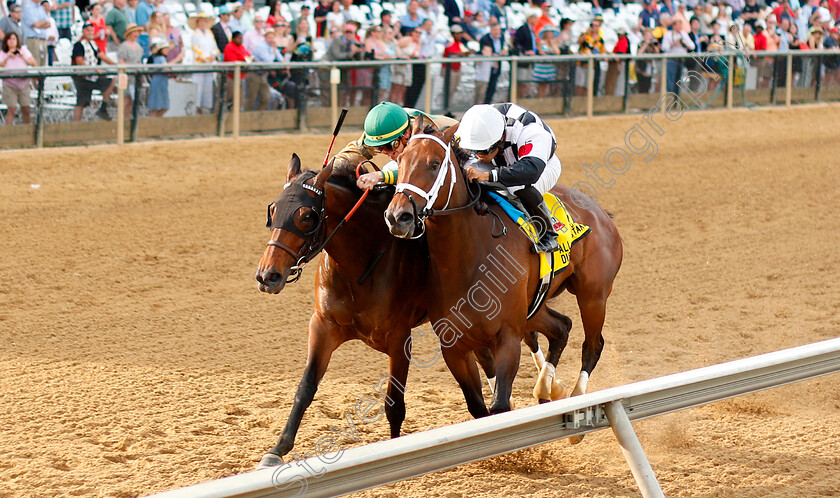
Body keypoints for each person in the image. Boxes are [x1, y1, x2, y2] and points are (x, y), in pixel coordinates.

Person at [456, 103, 562, 252]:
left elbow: (531, 171)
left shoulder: (530, 131)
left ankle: (548, 234)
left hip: (539, 167)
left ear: (499, 140)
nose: (479, 155)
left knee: (516, 187)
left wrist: (488, 175)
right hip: (499, 162)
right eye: (475, 150)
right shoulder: (477, 122)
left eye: (484, 150)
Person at [349, 101, 459, 185]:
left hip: (464, 155)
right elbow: (356, 151)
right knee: (389, 168)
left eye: (389, 146)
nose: (386, 152)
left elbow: (423, 172)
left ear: (406, 134)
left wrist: (380, 175)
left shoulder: (426, 135)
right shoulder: (385, 126)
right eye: (379, 148)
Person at [72, 22, 116, 121]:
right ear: (83, 31)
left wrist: (115, 65)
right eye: (88, 30)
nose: (90, 32)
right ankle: (75, 125)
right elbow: (79, 61)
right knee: (81, 103)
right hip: (82, 78)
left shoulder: (93, 44)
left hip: (93, 76)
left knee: (111, 81)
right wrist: (93, 68)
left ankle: (103, 107)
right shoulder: (79, 45)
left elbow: (101, 55)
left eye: (91, 30)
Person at [0, 32, 37, 125]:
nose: (12, 42)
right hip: (9, 85)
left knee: (26, 109)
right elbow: (1, 65)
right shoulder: (2, 53)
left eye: (14, 39)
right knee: (11, 109)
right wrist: (7, 57)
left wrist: (22, 56)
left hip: (23, 84)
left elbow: (33, 63)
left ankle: (27, 130)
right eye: (9, 39)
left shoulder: (23, 50)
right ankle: (8, 131)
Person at [189, 13, 218, 113]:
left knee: (208, 86)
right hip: (199, 65)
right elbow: (196, 50)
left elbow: (214, 47)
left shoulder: (210, 34)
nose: (203, 23)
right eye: (201, 21)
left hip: (209, 64)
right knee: (198, 86)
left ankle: (206, 107)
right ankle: (196, 107)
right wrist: (205, 58)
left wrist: (213, 55)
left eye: (204, 21)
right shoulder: (195, 34)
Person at [476, 21, 506, 104]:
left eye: (498, 30)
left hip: (497, 66)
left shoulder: (501, 38)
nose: (497, 32)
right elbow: (486, 52)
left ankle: (488, 103)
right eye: (495, 30)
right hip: (487, 67)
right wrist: (494, 55)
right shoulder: (485, 39)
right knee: (484, 88)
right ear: (491, 30)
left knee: (493, 86)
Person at [117, 23, 144, 113]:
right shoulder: (124, 46)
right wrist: (127, 72)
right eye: (134, 32)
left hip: (136, 75)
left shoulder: (138, 46)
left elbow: (139, 60)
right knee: (126, 99)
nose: (136, 34)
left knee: (134, 100)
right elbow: (121, 61)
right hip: (128, 75)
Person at [443, 24, 470, 105]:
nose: (459, 35)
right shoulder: (450, 42)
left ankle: (449, 107)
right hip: (449, 69)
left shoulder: (459, 43)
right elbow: (452, 52)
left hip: (456, 68)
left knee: (453, 89)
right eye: (457, 33)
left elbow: (464, 52)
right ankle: (445, 108)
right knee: (448, 89)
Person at [147, 37, 172, 117]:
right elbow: (165, 67)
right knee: (156, 107)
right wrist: (177, 59)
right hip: (158, 85)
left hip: (162, 84)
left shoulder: (161, 58)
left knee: (162, 107)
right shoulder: (159, 58)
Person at [22, 0, 49, 65]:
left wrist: (39, 24)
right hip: (33, 40)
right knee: (35, 66)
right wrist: (43, 22)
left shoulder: (41, 7)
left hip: (43, 40)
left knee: (43, 65)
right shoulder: (27, 8)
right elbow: (35, 24)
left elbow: (48, 23)